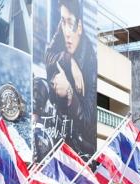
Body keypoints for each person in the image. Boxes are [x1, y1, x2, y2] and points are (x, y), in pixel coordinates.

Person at [45, 0, 97, 156]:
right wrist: (69, 61)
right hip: (56, 127)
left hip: (80, 146)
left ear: (79, 27)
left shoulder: (91, 62)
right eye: (63, 21)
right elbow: (48, 55)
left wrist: (69, 92)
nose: (66, 32)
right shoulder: (62, 29)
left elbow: (87, 120)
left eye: (71, 23)